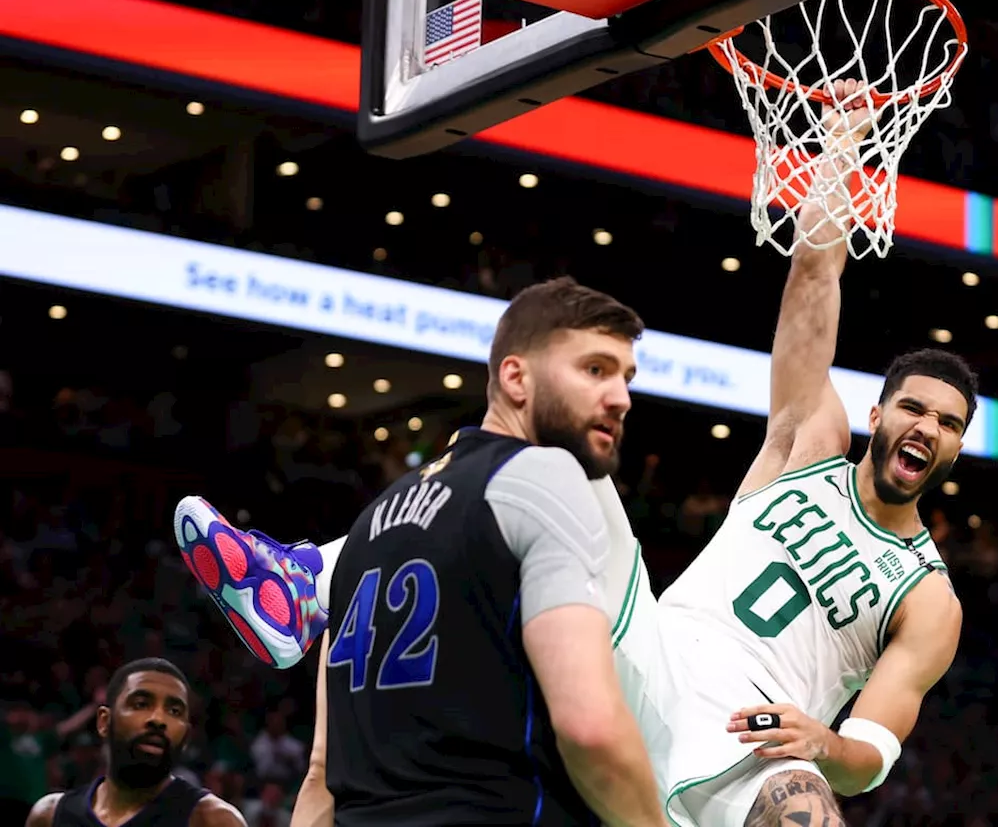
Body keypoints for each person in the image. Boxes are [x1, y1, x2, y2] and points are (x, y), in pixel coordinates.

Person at [177, 80, 969, 827]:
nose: (927, 427)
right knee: (552, 469)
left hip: (757, 736)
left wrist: (828, 747)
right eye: (914, 407)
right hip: (651, 658)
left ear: (956, 449)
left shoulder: (929, 596)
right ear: (879, 412)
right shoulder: (811, 443)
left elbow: (875, 750)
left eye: (947, 422)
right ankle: (304, 584)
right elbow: (813, 276)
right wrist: (839, 152)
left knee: (807, 805)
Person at [175, 278, 666, 826]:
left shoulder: (371, 525)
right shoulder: (546, 474)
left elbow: (320, 773)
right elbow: (590, 728)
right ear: (515, 377)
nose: (620, 396)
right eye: (594, 369)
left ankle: (303, 582)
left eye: (626, 377)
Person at [25, 658, 246, 827]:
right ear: (104, 722)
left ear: (186, 736)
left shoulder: (213, 820)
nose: (158, 719)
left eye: (174, 710)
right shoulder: (50, 816)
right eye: (141, 704)